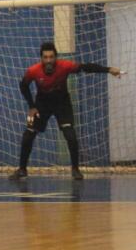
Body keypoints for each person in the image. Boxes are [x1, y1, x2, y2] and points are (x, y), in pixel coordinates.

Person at [9, 41, 122, 181]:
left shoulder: (65, 66)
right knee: (28, 134)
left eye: (51, 57)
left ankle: (75, 169)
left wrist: (108, 69)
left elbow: (85, 67)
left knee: (70, 135)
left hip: (62, 103)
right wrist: (32, 106)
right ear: (41, 58)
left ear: (56, 57)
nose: (48, 60)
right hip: (41, 104)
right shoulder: (33, 71)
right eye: (45, 57)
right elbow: (23, 86)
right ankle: (22, 170)